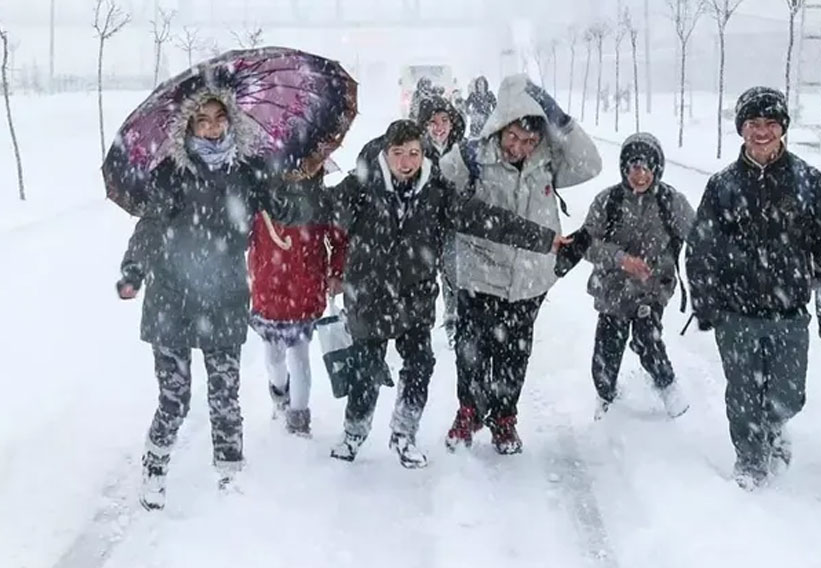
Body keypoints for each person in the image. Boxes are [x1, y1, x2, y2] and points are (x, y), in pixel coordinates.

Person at [320, 119, 569, 467]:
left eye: (414, 153)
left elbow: (486, 219)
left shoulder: (436, 193)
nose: (406, 162)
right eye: (398, 154)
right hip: (369, 297)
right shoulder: (361, 186)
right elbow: (321, 207)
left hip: (415, 299)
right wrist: (288, 191)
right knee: (366, 369)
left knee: (420, 366)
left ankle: (404, 435)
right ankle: (353, 434)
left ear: (423, 155)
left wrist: (543, 238)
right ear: (384, 155)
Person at [116, 92, 312, 510]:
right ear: (187, 127)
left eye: (218, 118)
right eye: (201, 120)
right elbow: (150, 227)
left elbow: (287, 212)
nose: (211, 127)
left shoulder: (247, 172)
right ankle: (155, 465)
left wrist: (280, 177)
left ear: (230, 122)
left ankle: (230, 475)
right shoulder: (171, 173)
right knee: (175, 398)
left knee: (225, 396)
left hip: (223, 296)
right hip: (172, 296)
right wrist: (133, 270)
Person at [687, 87, 821, 491]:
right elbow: (701, 247)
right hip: (736, 313)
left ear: (783, 128)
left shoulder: (809, 180)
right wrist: (705, 303)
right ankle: (750, 459)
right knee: (743, 395)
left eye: (771, 123)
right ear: (741, 129)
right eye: (753, 124)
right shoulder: (723, 185)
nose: (762, 131)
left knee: (789, 395)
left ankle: (774, 427)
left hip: (790, 311)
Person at [440, 75, 602, 455]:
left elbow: (591, 164)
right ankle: (468, 411)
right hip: (479, 273)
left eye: (529, 141)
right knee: (472, 349)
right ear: (499, 127)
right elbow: (436, 193)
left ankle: (504, 417)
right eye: (513, 137)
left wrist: (560, 120)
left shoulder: (547, 160)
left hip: (530, 278)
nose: (519, 147)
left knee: (514, 352)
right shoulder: (471, 157)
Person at [580, 133, 694, 420]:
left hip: (651, 290)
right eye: (633, 168)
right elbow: (586, 244)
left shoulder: (671, 202)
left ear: (657, 169)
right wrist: (620, 259)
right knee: (605, 356)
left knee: (647, 339)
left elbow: (701, 237)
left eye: (646, 168)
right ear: (624, 169)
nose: (640, 175)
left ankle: (668, 388)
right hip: (613, 291)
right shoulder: (608, 201)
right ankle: (606, 400)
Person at [248, 181, 346, 437]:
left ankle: (289, 409)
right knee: (285, 357)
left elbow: (338, 238)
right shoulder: (264, 195)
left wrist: (336, 271)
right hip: (283, 288)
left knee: (287, 356)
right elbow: (339, 239)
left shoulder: (312, 197)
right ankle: (289, 407)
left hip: (287, 288)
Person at [416, 95, 467, 348]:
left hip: (452, 225)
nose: (439, 127)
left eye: (444, 120)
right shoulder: (416, 151)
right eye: (433, 122)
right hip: (423, 227)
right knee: (423, 278)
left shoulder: (462, 150)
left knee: (453, 275)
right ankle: (420, 326)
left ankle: (453, 321)